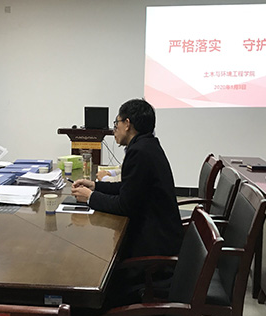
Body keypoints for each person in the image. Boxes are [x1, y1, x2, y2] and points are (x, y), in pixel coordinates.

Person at [72, 98, 183, 260]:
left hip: (153, 247)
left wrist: (90, 197)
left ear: (127, 124)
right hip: (159, 234)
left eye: (116, 123)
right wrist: (95, 186)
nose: (114, 130)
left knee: (94, 252)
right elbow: (128, 187)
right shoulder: (147, 145)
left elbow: (124, 206)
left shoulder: (139, 152)